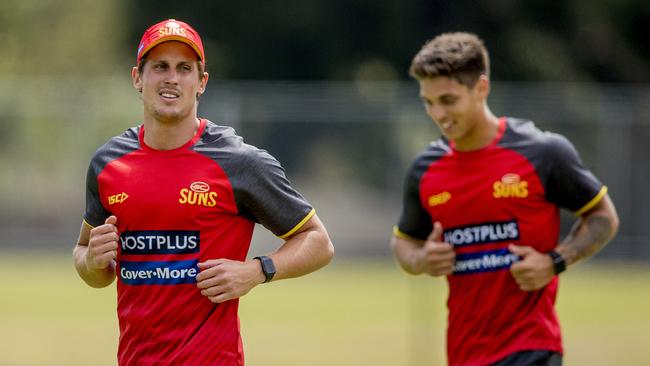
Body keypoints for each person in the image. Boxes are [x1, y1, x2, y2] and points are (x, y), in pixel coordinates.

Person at [73, 19, 334, 365]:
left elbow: (318, 242)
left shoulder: (240, 163)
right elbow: (86, 257)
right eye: (160, 67)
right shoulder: (107, 163)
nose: (172, 78)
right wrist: (92, 262)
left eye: (184, 68)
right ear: (138, 77)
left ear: (201, 82)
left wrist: (257, 271)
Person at [391, 32, 619, 366]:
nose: (438, 113)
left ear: (481, 88)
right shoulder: (425, 170)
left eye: (449, 100)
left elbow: (603, 217)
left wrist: (556, 261)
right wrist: (422, 259)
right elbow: (403, 244)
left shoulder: (543, 153)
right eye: (428, 102)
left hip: (531, 347)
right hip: (463, 353)